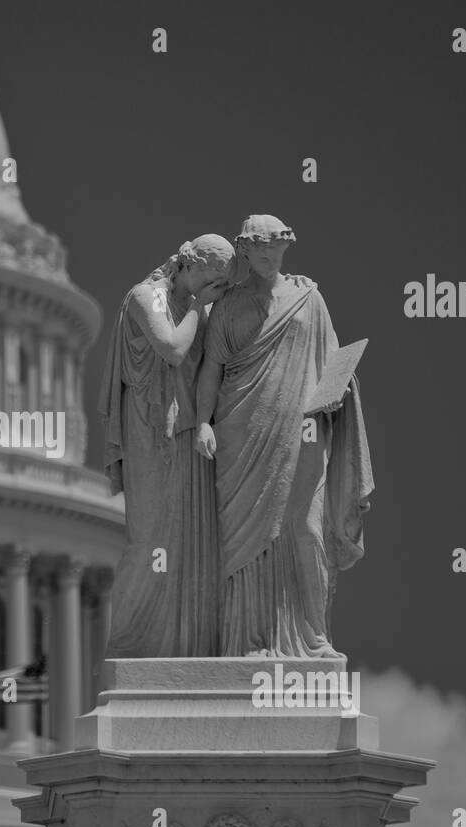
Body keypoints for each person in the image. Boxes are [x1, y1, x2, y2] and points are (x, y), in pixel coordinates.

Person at [194, 215, 373, 658]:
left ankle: (313, 636)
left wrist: (341, 389)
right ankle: (249, 640)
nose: (270, 256)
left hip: (305, 426)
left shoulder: (309, 299)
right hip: (240, 429)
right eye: (261, 250)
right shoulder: (229, 307)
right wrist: (200, 421)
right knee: (245, 540)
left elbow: (334, 361)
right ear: (246, 252)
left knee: (306, 528)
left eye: (277, 249)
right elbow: (211, 370)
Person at [99, 234, 245, 658]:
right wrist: (201, 308)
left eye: (221, 281)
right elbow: (173, 349)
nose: (213, 286)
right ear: (187, 264)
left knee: (190, 540)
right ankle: (132, 644)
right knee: (150, 539)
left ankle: (185, 647)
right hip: (149, 425)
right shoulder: (146, 296)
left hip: (186, 429)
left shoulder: (198, 308)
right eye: (210, 276)